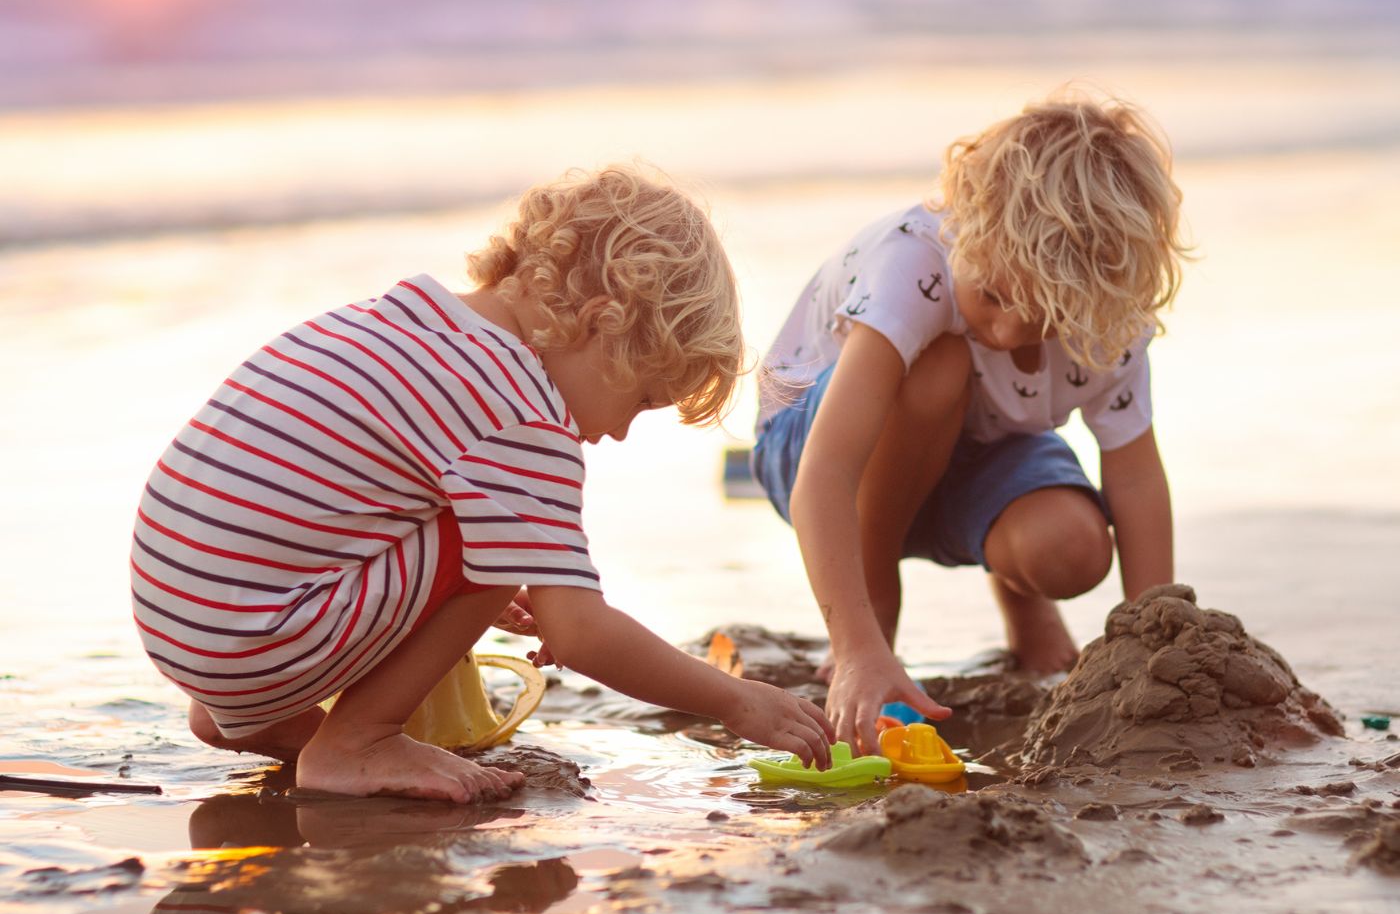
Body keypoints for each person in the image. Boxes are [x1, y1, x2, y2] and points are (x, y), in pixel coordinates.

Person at [131, 165, 833, 803]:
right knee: (499, 543)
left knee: (502, 542)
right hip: (259, 639)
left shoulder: (402, 320)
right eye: (644, 398)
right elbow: (583, 635)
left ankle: (242, 711)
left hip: (181, 621)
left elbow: (314, 500)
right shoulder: (524, 409)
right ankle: (357, 742)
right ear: (602, 327)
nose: (619, 433)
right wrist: (738, 702)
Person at [751, 93, 1190, 754]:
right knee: (942, 364)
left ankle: (1025, 606)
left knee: (1075, 548)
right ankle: (876, 620)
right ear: (970, 228)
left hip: (975, 447)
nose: (1009, 328)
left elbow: (1133, 478)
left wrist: (1154, 639)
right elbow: (827, 472)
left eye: (1043, 317)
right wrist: (856, 644)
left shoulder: (1107, 315)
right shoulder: (914, 264)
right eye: (993, 293)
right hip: (819, 447)